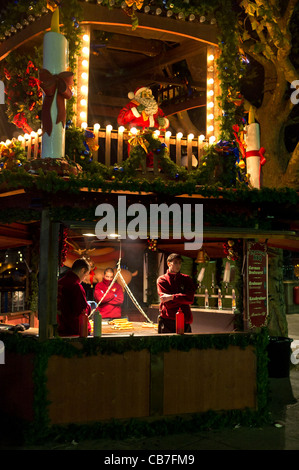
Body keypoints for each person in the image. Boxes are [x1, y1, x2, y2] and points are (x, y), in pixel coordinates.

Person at [157, 253, 196, 333]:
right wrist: (183, 300)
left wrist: (171, 297)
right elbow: (168, 304)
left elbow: (190, 299)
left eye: (179, 263)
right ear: (169, 264)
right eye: (175, 263)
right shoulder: (162, 280)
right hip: (168, 320)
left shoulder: (186, 279)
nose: (178, 265)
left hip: (185, 320)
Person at [57, 258, 91, 336]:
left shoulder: (60, 282)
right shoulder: (75, 286)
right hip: (72, 330)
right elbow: (82, 310)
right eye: (85, 275)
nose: (84, 278)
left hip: (59, 327)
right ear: (82, 270)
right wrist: (89, 307)